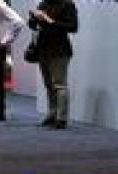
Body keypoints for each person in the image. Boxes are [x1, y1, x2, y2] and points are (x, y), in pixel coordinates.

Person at [28, 0, 78, 129]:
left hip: (59, 50)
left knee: (59, 85)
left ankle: (61, 118)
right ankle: (52, 114)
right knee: (49, 85)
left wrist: (49, 20)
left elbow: (73, 27)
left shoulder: (67, 4)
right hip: (43, 49)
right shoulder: (43, 4)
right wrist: (33, 19)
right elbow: (34, 26)